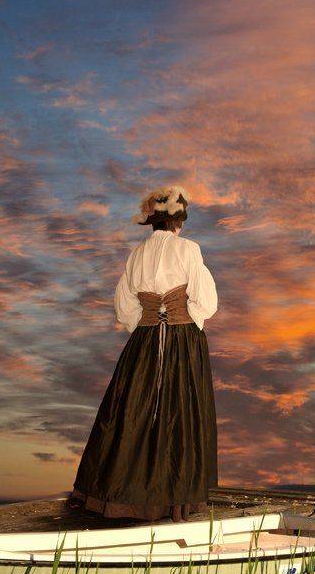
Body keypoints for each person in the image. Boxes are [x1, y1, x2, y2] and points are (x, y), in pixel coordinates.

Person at [70, 186, 218, 521]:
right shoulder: (189, 249)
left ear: (152, 222)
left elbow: (124, 307)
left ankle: (120, 493)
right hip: (181, 341)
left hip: (145, 341)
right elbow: (206, 301)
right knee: (178, 412)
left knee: (131, 411)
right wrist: (182, 317)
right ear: (178, 222)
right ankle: (173, 498)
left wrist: (150, 320)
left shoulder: (136, 254)